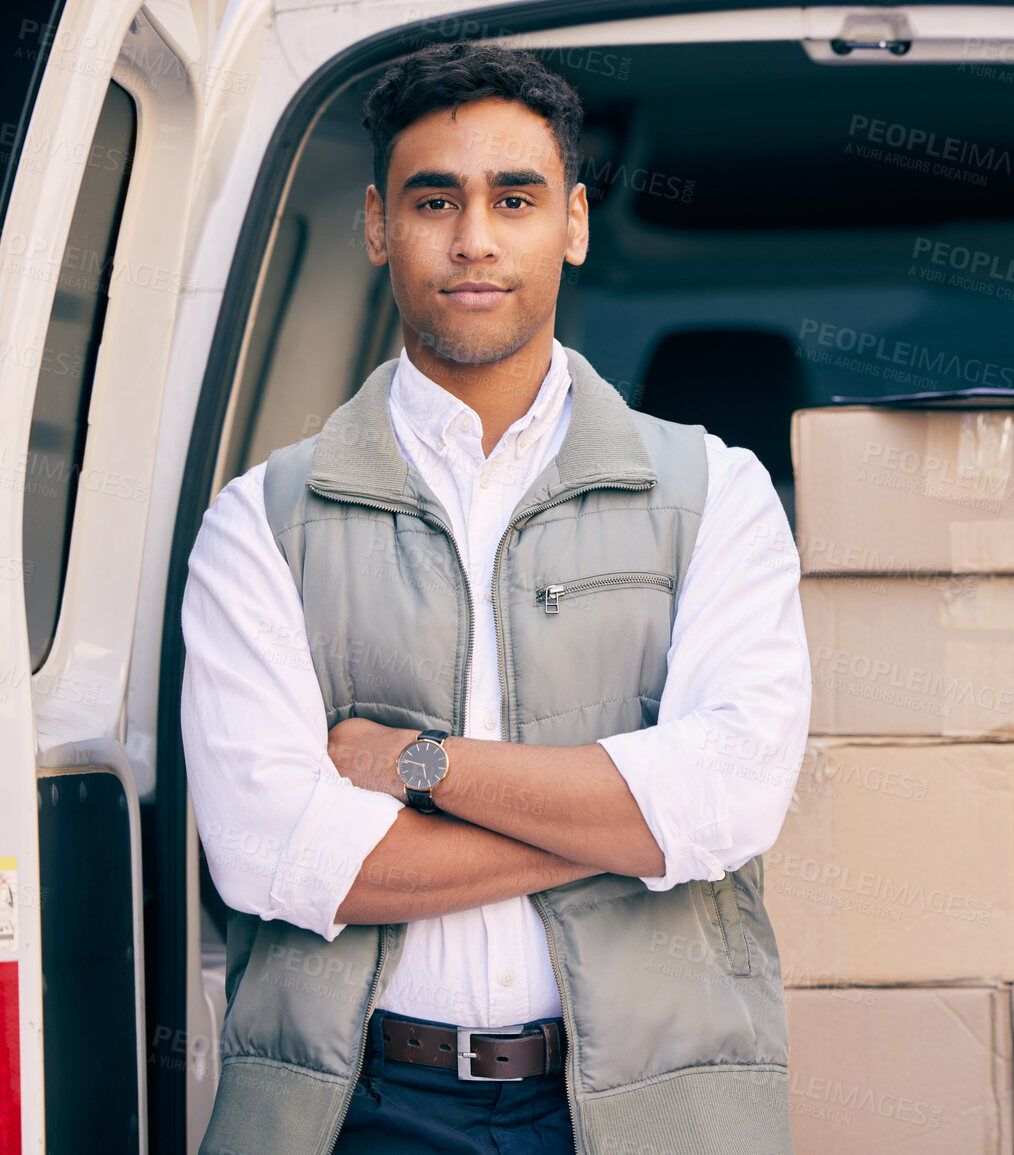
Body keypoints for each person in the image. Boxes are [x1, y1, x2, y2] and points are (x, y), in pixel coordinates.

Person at [181, 41, 808, 1155]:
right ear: (380, 225)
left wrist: (418, 765)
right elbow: (271, 852)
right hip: (361, 1108)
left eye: (513, 198)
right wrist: (634, 826)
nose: (474, 238)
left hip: (645, 1109)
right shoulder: (260, 521)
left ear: (569, 222)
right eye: (436, 200)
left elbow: (735, 795)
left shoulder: (719, 492)